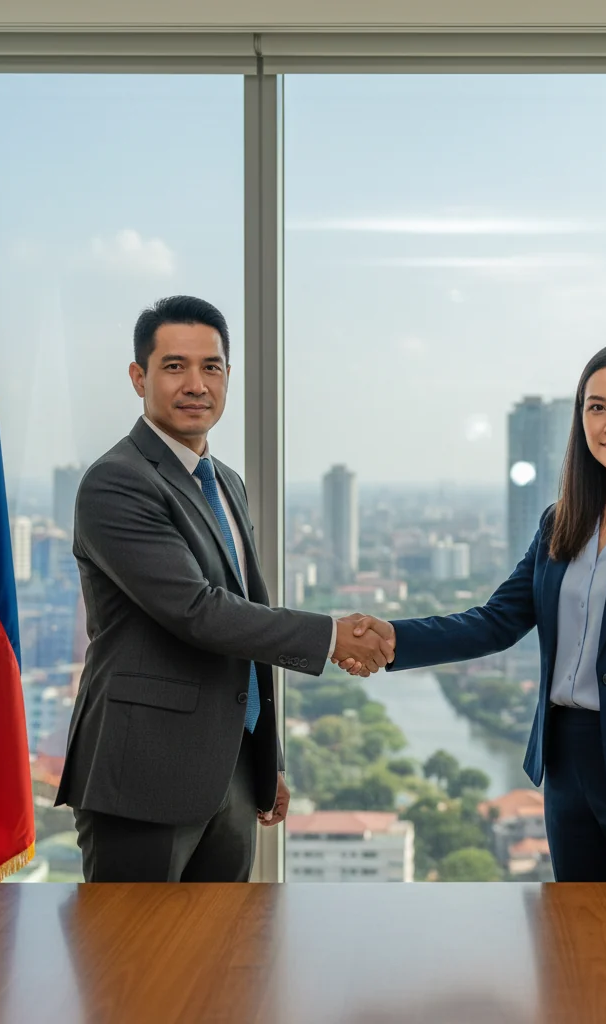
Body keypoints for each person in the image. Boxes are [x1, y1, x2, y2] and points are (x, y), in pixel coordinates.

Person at [340, 342, 606, 882]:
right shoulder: (561, 520)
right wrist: (393, 638)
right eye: (596, 407)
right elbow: (496, 620)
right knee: (576, 942)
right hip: (566, 765)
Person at [56, 295, 393, 882]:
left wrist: (267, 761)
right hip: (144, 775)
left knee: (222, 964)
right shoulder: (116, 483)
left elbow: (248, 614)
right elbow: (199, 612)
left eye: (211, 367)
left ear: (228, 377)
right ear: (139, 378)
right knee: (135, 967)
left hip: (232, 771)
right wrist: (333, 635)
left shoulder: (226, 483)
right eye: (174, 366)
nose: (196, 384)